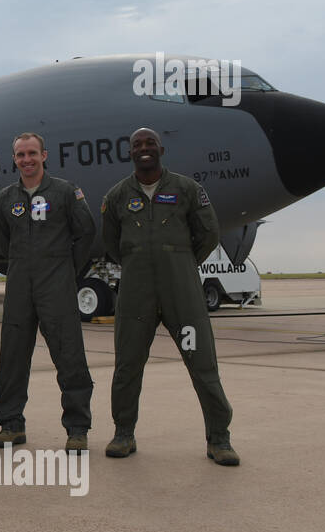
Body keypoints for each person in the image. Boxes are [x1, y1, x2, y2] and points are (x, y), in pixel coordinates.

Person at [101, 127, 239, 465]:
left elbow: (208, 234)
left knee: (203, 365)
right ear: (130, 152)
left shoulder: (187, 189)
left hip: (183, 294)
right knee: (127, 366)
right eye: (137, 145)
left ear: (161, 149)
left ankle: (219, 438)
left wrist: (178, 261)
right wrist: (140, 263)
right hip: (136, 295)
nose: (144, 149)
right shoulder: (118, 196)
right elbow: (111, 243)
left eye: (149, 144)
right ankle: (123, 433)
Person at [0, 133, 96, 450]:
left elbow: (86, 232)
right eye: (21, 155)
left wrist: (65, 269)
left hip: (57, 285)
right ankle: (11, 424)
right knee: (12, 357)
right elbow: (3, 240)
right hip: (20, 284)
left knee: (69, 356)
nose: (27, 159)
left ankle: (77, 429)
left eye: (32, 153)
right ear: (15, 159)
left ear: (44, 155)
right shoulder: (5, 199)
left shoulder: (65, 192)